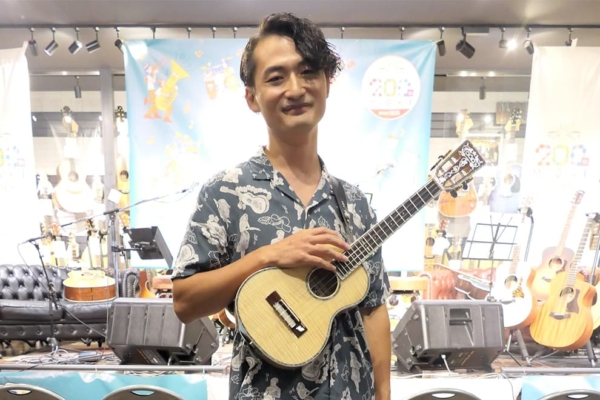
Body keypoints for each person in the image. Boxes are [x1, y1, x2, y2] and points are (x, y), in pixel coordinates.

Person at [172, 12, 391, 400]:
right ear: (252, 98)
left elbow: (373, 309)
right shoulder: (225, 192)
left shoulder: (355, 203)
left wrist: (385, 394)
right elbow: (185, 301)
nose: (295, 88)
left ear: (327, 83)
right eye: (276, 78)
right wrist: (267, 257)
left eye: (308, 72)